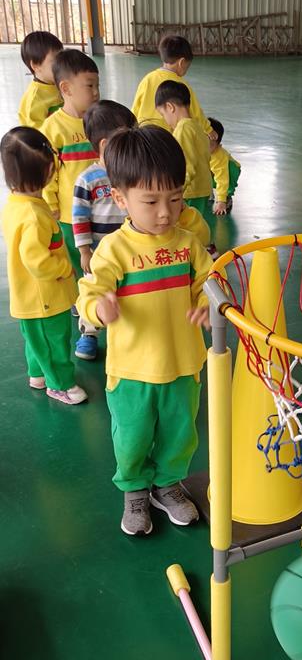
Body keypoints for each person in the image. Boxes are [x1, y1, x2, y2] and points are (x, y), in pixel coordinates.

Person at [76, 125, 213, 537]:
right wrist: (98, 309)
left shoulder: (188, 244)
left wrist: (207, 305)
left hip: (183, 363)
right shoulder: (114, 250)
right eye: (150, 201)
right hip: (132, 370)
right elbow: (89, 292)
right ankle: (134, 489)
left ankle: (167, 485)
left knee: (180, 433)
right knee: (133, 437)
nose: (165, 212)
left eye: (175, 198)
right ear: (121, 199)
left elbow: (208, 282)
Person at [0, 127, 87, 405]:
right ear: (49, 171)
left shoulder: (16, 204)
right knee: (54, 342)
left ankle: (37, 374)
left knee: (35, 339)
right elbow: (36, 260)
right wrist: (64, 268)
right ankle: (60, 385)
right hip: (45, 298)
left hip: (29, 296)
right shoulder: (34, 216)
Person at [72, 100, 137, 360]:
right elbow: (79, 217)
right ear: (105, 145)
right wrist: (84, 250)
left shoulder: (131, 172)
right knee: (95, 290)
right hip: (99, 251)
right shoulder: (87, 179)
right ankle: (89, 332)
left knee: (126, 289)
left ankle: (126, 328)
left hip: (128, 248)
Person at [40, 49, 100, 276]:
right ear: (66, 88)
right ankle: (80, 294)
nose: (96, 92)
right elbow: (47, 172)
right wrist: (52, 204)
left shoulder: (99, 121)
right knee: (78, 260)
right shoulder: (53, 128)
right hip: (70, 213)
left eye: (98, 85)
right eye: (90, 85)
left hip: (103, 207)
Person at [131, 33, 214, 137]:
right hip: (166, 138)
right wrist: (208, 130)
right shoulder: (181, 85)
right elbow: (196, 112)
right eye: (187, 66)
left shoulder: (147, 79)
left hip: (143, 135)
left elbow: (135, 109)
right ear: (182, 63)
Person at [154, 79, 213, 218]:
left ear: (170, 107)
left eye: (163, 114)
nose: (165, 120)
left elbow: (186, 165)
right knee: (196, 224)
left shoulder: (183, 128)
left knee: (186, 226)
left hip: (190, 191)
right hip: (202, 188)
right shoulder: (196, 126)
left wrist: (175, 191)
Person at [18, 31, 63, 130]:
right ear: (36, 65)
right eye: (55, 61)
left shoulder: (59, 83)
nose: (61, 65)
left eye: (62, 59)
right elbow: (37, 134)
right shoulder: (35, 99)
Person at [208, 117, 241, 216]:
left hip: (228, 172)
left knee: (227, 174)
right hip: (212, 172)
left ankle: (227, 197)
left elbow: (222, 179)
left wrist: (221, 200)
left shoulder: (219, 157)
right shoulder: (198, 150)